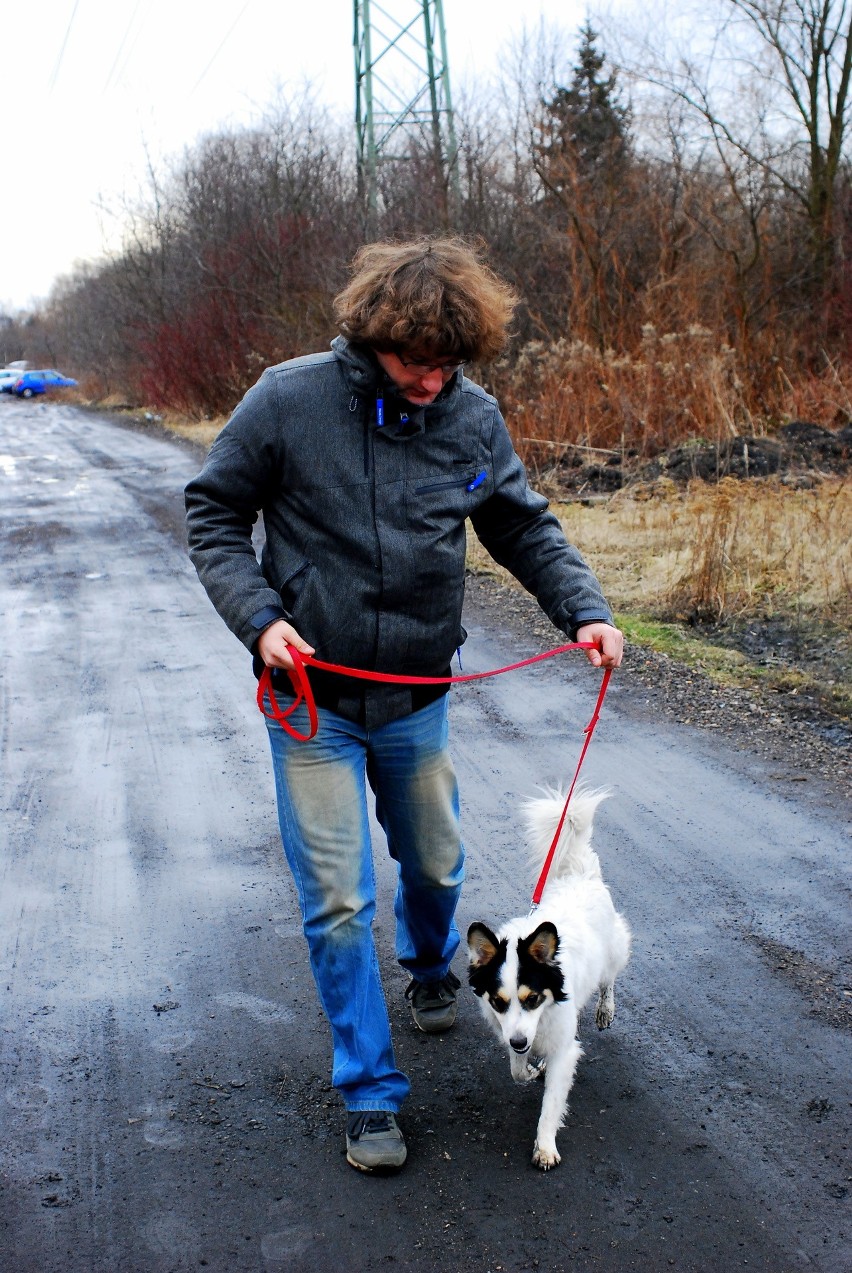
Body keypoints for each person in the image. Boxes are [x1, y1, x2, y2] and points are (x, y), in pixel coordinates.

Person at [185, 237, 623, 1174]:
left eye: (448, 364)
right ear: (370, 337)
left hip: (418, 696)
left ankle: (433, 966)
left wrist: (584, 608)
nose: (432, 380)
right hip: (313, 700)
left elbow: (520, 522)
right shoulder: (287, 399)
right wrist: (260, 619)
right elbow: (213, 512)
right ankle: (370, 1093)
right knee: (340, 900)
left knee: (435, 862)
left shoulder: (470, 416)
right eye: (415, 361)